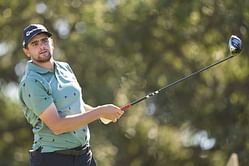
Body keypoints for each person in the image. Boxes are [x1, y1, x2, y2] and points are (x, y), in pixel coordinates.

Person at [18, 24, 124, 166]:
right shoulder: (31, 82)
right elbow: (57, 126)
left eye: (44, 41)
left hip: (84, 155)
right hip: (52, 159)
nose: (42, 46)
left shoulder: (64, 67)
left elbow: (76, 105)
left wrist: (101, 113)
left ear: (52, 43)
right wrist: (100, 112)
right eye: (34, 43)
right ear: (27, 51)